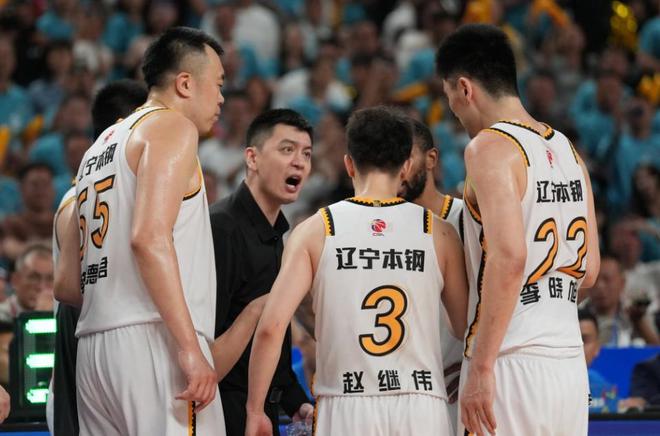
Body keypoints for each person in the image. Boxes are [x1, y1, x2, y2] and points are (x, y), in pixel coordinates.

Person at [246, 106, 468, 436]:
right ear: (406, 166)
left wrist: (255, 410)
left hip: (345, 401)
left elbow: (270, 328)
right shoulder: (440, 232)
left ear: (349, 164)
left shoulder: (314, 230)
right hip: (421, 402)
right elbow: (465, 327)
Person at [54, 27, 226, 435]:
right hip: (155, 338)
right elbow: (148, 237)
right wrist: (189, 346)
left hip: (95, 348)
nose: (222, 98)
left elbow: (68, 283)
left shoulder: (98, 148)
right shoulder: (171, 126)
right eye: (218, 84)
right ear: (185, 83)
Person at [435, 24, 600, 435]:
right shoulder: (569, 151)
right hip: (568, 364)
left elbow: (509, 258)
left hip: (509, 358)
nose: (453, 109)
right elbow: (590, 271)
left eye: (449, 96)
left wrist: (482, 366)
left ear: (464, 88)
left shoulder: (487, 147)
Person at [47, 78, 148, 436]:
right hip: (80, 357)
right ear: (124, 126)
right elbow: (66, 288)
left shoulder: (114, 191)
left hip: (107, 356)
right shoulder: (77, 200)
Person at [209, 108, 314, 436]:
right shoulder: (221, 227)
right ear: (252, 158)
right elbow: (205, 353)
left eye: (306, 154)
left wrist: (298, 403)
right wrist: (258, 310)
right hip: (221, 411)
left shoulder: (278, 235)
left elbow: (275, 355)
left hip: (261, 413)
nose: (299, 162)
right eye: (287, 149)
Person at [398, 118, 464, 423]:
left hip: (458, 388)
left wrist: (478, 364)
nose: (398, 167)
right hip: (400, 392)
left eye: (406, 155)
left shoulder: (468, 220)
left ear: (431, 159)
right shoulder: (377, 228)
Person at [0, 243, 53, 323]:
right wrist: (41, 315)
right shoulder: (2, 316)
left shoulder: (64, 316)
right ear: (15, 280)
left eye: (50, 279)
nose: (41, 286)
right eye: (34, 277)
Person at [578, 309, 617, 413]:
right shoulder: (544, 386)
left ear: (597, 347)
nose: (576, 346)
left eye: (584, 339)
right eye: (570, 339)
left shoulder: (603, 388)